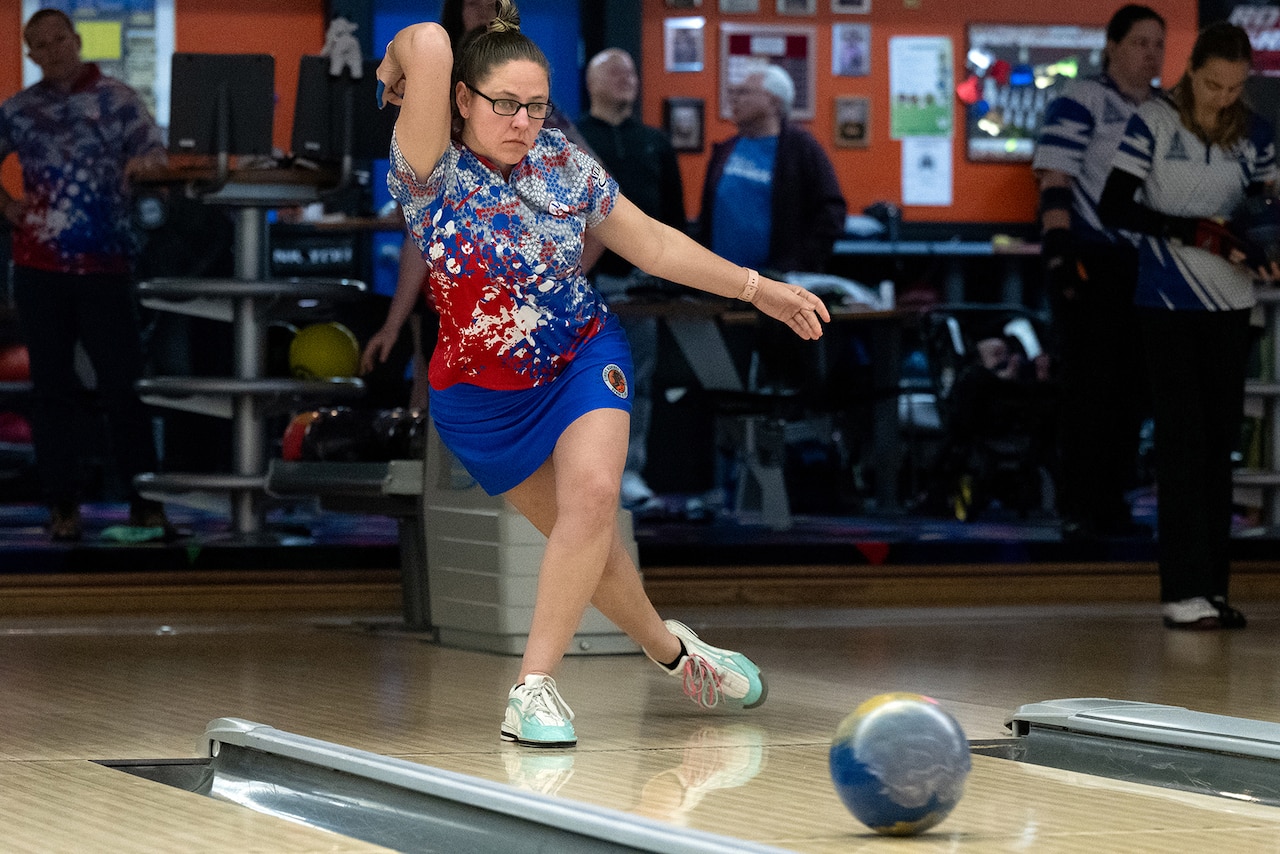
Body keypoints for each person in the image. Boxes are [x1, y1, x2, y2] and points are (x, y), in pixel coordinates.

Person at [365, 1, 830, 746]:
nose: (522, 122)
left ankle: (532, 688)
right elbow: (423, 38)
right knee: (594, 553)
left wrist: (758, 288)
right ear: (460, 99)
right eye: (505, 105)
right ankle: (677, 650)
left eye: (537, 107)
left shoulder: (567, 166)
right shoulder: (428, 170)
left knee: (593, 498)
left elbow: (652, 244)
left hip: (584, 354)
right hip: (481, 401)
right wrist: (391, 70)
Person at [1097, 21, 1279, 630]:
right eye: (1211, 83)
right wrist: (1191, 230)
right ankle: (1180, 590)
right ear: (1191, 70)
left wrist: (1263, 245)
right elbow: (1114, 206)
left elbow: (1263, 210)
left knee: (1217, 448)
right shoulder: (1153, 121)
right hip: (1167, 302)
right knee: (1181, 445)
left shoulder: (1256, 133)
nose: (1220, 97)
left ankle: (1214, 588)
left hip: (1231, 304)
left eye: (1233, 88)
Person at [0, 9, 170, 541]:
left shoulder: (118, 99)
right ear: (30, 54)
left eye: (59, 41)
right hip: (37, 267)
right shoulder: (19, 110)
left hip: (106, 264)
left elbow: (156, 155)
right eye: (41, 46)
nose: (53, 52)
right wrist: (5, 205)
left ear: (77, 40)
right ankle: (61, 507)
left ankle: (145, 502)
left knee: (123, 387)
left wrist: (144, 168)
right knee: (51, 390)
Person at [1032, 4, 1166, 543]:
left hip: (1146, 264)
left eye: (1159, 43)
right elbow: (1055, 177)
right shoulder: (1083, 99)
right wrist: (1061, 252)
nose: (1151, 53)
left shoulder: (1165, 110)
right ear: (1111, 46)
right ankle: (1079, 506)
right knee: (1089, 388)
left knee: (1133, 391)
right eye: (1140, 42)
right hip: (1092, 259)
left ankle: (1114, 503)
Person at [577, 48, 687, 510]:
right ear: (591, 82)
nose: (626, 78)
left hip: (642, 284)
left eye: (632, 71)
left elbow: (675, 215)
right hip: (585, 280)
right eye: (614, 71)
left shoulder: (655, 143)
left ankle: (630, 473)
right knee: (582, 381)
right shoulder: (573, 136)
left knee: (634, 380)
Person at [697, 64, 847, 275]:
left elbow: (831, 211)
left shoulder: (801, 148)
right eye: (734, 92)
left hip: (777, 283)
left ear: (774, 102)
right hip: (721, 281)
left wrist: (799, 265)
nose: (735, 99)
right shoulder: (725, 150)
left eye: (744, 92)